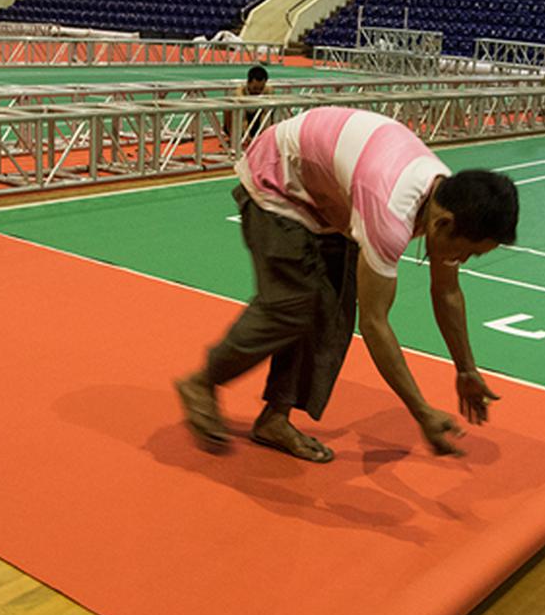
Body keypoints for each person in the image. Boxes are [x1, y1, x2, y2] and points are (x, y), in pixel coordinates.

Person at [175, 107, 520, 463]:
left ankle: (274, 419)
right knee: (292, 304)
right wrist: (421, 411)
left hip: (330, 198)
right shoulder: (390, 212)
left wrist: (465, 368)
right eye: (468, 252)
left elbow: (446, 290)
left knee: (331, 312)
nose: (462, 260)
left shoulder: (451, 200)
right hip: (278, 180)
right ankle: (201, 381)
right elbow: (375, 323)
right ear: (442, 226)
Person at [224, 65, 273, 143]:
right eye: (255, 88)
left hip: (257, 122)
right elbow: (243, 119)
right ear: (248, 83)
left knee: (271, 109)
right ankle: (232, 137)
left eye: (261, 89)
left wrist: (264, 136)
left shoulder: (268, 91)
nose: (257, 92)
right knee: (228, 108)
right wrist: (247, 137)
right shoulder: (239, 93)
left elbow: (266, 115)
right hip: (242, 122)